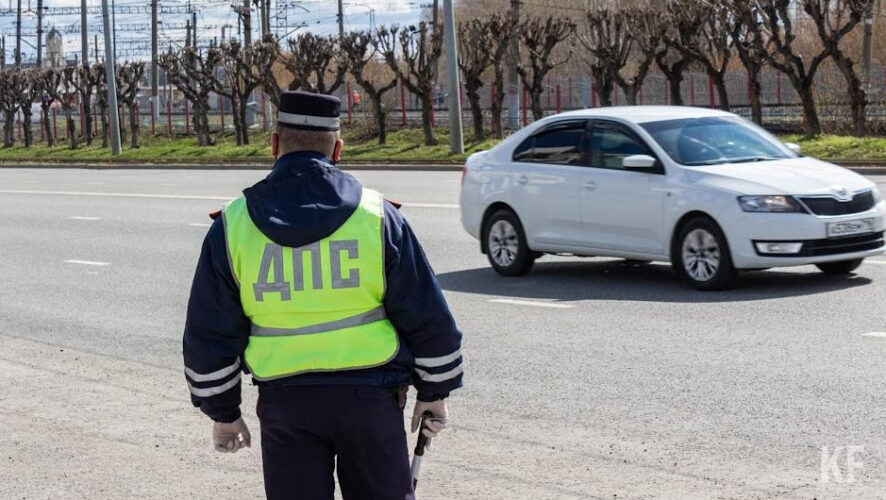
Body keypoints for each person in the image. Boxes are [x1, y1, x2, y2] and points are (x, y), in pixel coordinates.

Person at [182, 91, 463, 500]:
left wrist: (225, 415)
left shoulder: (233, 226)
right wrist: (435, 393)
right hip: (372, 401)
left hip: (285, 405)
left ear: (274, 145)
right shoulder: (378, 217)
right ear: (338, 150)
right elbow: (427, 314)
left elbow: (209, 334)